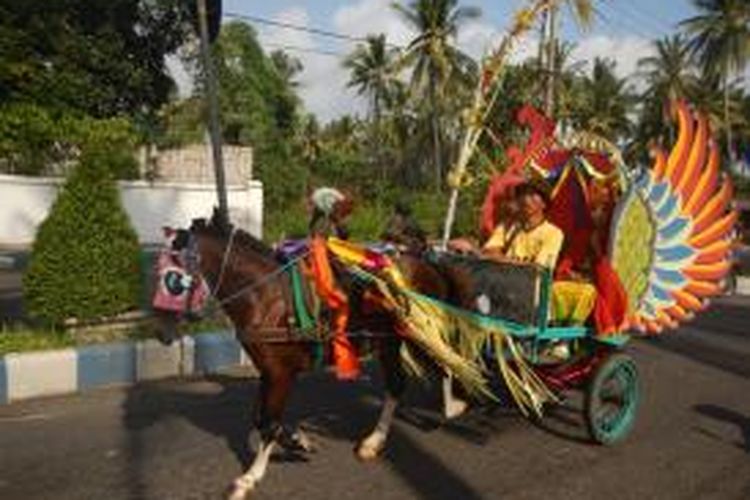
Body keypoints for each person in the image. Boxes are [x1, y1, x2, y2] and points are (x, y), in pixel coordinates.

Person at [306, 187, 360, 380]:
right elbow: (331, 242)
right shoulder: (324, 221)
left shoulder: (322, 220)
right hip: (324, 265)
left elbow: (339, 239)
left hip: (324, 263)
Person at [482, 182, 564, 269]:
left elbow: (539, 268)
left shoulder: (553, 233)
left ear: (544, 204)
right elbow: (490, 251)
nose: (526, 200)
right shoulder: (507, 225)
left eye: (532, 195)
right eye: (522, 195)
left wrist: (503, 260)